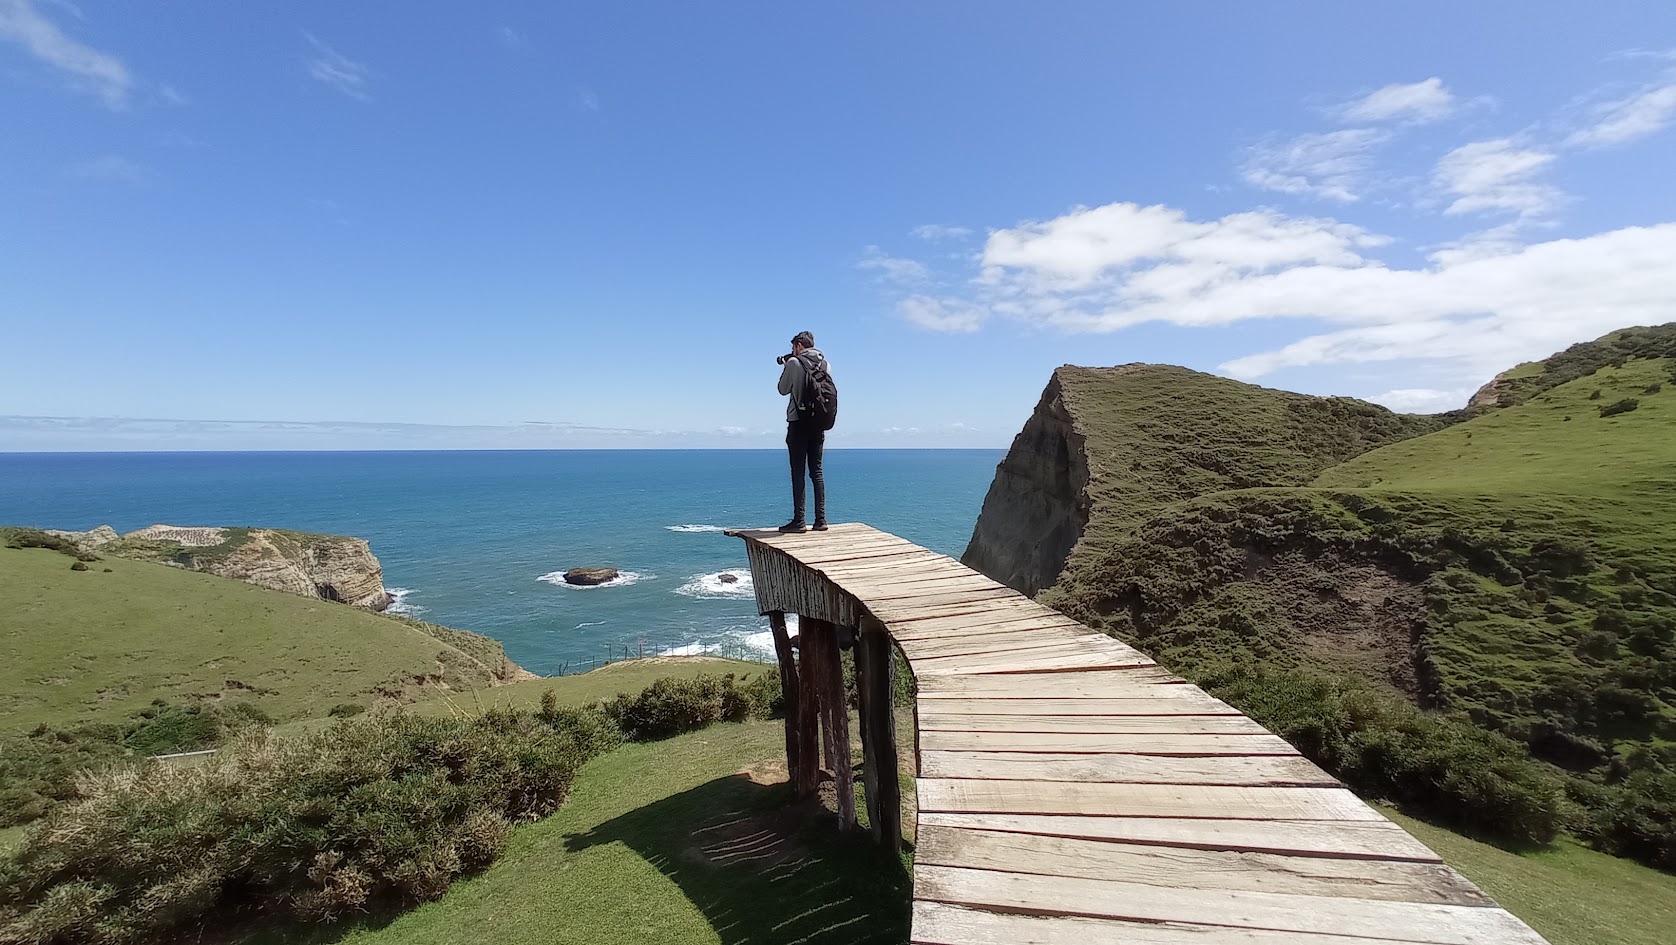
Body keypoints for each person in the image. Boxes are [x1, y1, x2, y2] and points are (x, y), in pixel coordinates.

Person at [777, 330, 829, 532]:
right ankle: (821, 520)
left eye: (793, 347)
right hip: (818, 424)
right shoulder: (825, 364)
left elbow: (782, 389)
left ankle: (799, 521)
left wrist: (788, 364)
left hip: (798, 422)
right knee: (816, 471)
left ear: (799, 345)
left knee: (798, 471)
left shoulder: (794, 363)